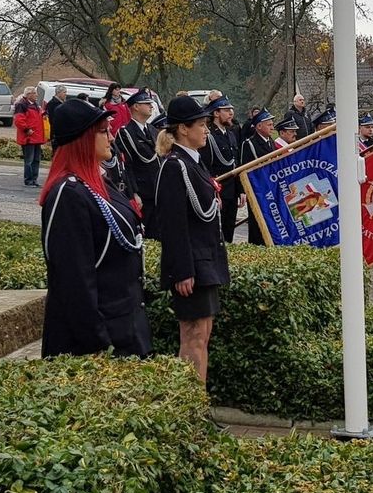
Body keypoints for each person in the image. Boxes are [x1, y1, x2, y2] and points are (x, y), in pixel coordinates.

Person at [38, 99, 150, 358]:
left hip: (125, 328)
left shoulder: (99, 183)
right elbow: (74, 282)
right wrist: (100, 345)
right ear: (82, 138)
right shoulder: (69, 194)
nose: (111, 137)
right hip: (99, 341)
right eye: (102, 131)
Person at [153, 97, 230, 382]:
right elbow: (172, 224)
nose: (206, 130)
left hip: (205, 261)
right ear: (183, 129)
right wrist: (182, 270)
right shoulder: (175, 166)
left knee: (203, 334)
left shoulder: (193, 163)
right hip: (193, 266)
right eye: (201, 124)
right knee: (194, 337)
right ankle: (191, 405)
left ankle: (198, 401)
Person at [116, 89, 161, 236]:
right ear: (135, 106)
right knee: (145, 232)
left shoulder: (153, 130)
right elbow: (127, 166)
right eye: (147, 103)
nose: (151, 106)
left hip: (157, 189)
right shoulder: (126, 133)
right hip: (142, 190)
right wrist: (133, 192)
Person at [201, 97, 240, 243]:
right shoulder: (210, 136)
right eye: (226, 110)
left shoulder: (230, 134)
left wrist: (240, 190)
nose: (231, 113)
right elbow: (206, 165)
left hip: (232, 189)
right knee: (219, 230)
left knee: (230, 228)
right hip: (219, 189)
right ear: (216, 113)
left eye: (231, 110)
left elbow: (237, 163)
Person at [239, 109, 276, 246]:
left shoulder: (270, 142)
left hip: (270, 187)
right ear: (259, 126)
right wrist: (243, 191)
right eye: (269, 124)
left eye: (272, 124)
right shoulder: (249, 144)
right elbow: (244, 168)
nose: (272, 127)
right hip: (257, 189)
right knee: (257, 223)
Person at [14, 86, 47, 187]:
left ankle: (34, 179)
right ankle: (28, 180)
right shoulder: (22, 105)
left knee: (36, 160)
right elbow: (19, 120)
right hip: (29, 137)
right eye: (35, 93)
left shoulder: (35, 105)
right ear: (29, 94)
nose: (37, 95)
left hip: (36, 137)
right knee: (29, 160)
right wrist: (27, 130)